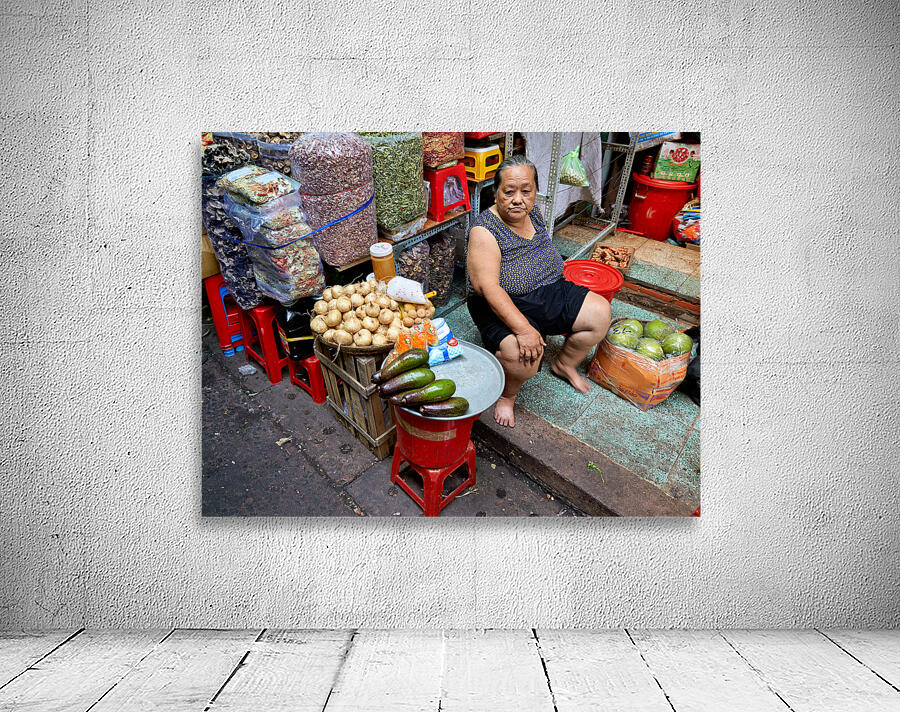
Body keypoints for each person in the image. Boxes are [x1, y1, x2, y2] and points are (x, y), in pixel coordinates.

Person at [466, 155, 611, 427]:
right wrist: (524, 330)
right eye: (508, 192)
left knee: (600, 314)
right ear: (496, 193)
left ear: (534, 191)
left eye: (526, 191)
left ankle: (565, 364)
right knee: (523, 358)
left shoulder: (534, 212)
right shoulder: (484, 230)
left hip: (549, 290)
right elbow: (487, 287)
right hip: (503, 301)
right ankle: (508, 395)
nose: (518, 199)